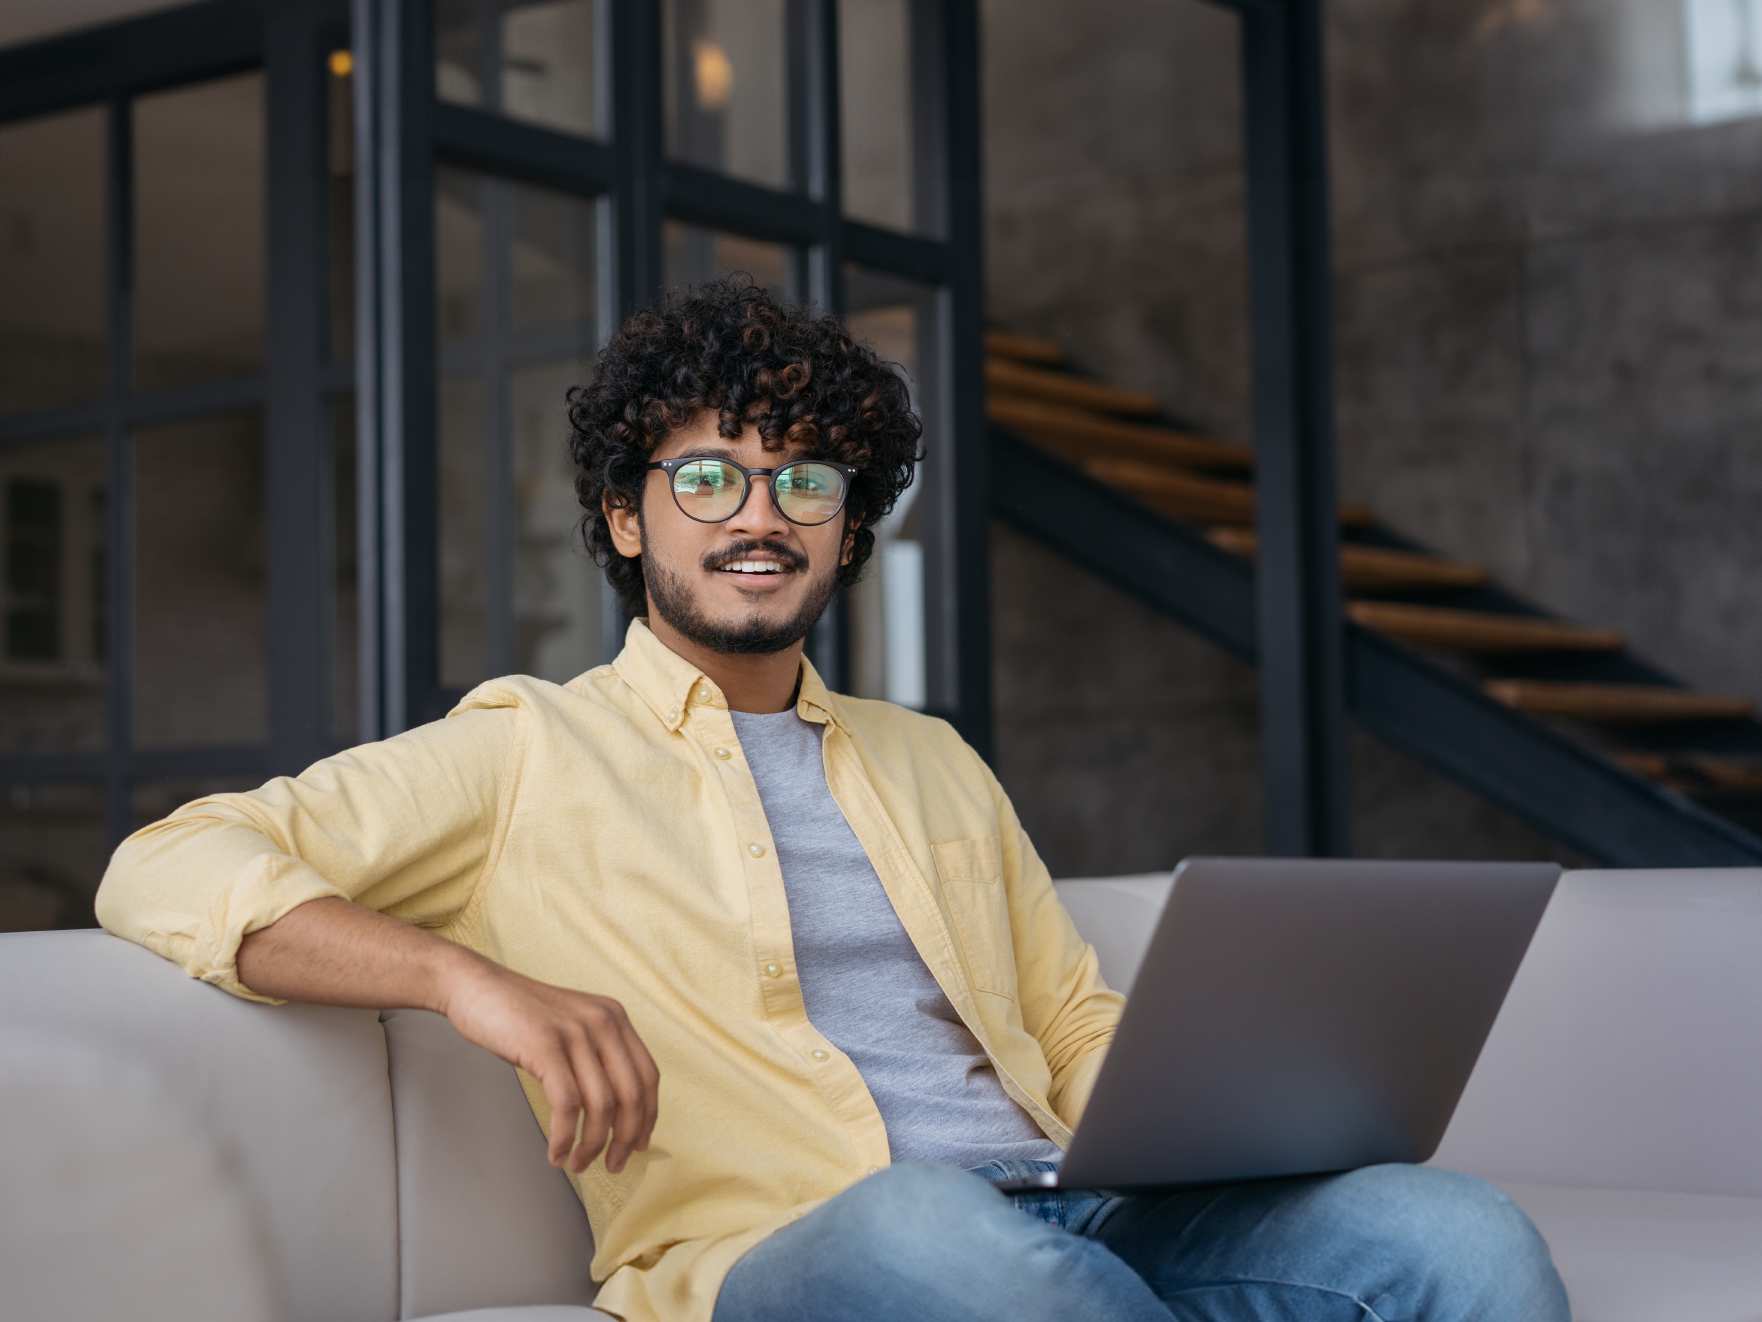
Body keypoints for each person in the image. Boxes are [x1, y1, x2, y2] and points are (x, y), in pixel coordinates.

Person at [95, 279, 1568, 1322]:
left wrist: (1198, 1111)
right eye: (709, 477)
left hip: (1073, 1212)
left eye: (805, 482)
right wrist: (464, 981)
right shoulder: (526, 747)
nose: (759, 515)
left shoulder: (931, 756)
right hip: (803, 1250)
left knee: (1457, 1233)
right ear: (626, 515)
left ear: (848, 525)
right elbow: (168, 863)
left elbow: (1062, 1018)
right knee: (943, 1240)